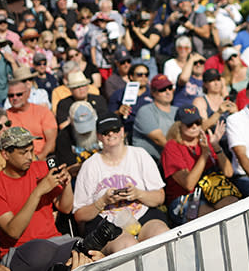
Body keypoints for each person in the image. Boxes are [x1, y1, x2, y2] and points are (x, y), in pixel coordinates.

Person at [0, 126, 76, 268]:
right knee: (41, 251)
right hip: (20, 251)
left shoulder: (42, 167)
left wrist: (66, 183)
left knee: (88, 247)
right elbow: (13, 231)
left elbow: (65, 208)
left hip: (55, 242)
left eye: (31, 150)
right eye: (23, 152)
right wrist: (37, 192)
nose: (29, 157)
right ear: (5, 155)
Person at [73, 116, 169, 253]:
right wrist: (103, 201)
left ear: (122, 131)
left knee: (162, 234)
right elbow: (79, 214)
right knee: (127, 245)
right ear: (99, 136)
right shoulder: (90, 165)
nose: (111, 134)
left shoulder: (140, 155)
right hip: (108, 224)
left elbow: (160, 197)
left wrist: (138, 193)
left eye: (115, 130)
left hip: (142, 215)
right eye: (105, 132)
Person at [161, 105, 238, 225]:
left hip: (211, 190)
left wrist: (216, 146)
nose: (194, 127)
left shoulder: (206, 139)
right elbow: (188, 184)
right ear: (178, 126)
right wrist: (204, 154)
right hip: (184, 197)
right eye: (189, 124)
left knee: (233, 205)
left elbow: (229, 172)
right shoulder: (172, 147)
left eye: (197, 122)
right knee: (208, 216)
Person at [55, 71, 110, 168]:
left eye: (83, 85)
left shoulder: (99, 100)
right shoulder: (64, 104)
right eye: (77, 87)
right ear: (70, 89)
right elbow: (62, 125)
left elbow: (105, 123)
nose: (81, 89)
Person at [5, 79, 57, 161]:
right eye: (11, 95)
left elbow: (51, 141)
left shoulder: (43, 112)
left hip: (40, 158)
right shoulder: (5, 116)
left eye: (19, 94)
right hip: (15, 161)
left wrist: (38, 158)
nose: (15, 98)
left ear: (28, 94)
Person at [132, 74, 179, 163]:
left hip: (171, 159)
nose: (168, 92)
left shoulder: (177, 110)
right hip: (149, 162)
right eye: (162, 89)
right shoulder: (145, 111)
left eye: (170, 88)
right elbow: (159, 140)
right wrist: (180, 155)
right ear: (153, 92)